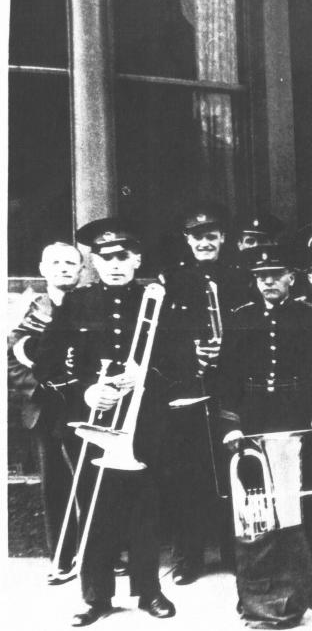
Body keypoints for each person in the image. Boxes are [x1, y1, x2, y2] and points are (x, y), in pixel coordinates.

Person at [34, 218, 175, 626]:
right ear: (93, 261)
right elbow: (47, 366)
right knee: (94, 510)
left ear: (137, 259)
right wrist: (85, 392)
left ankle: (149, 591)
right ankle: (96, 597)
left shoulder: (156, 301)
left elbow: (180, 363)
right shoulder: (76, 304)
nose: (115, 264)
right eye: (105, 257)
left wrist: (144, 377)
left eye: (123, 256)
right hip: (88, 422)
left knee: (144, 509)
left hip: (142, 422)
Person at [217, 246, 312, 613]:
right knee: (257, 508)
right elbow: (227, 375)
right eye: (261, 276)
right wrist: (231, 423)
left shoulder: (310, 317)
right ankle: (256, 587)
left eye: (276, 274)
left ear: (291, 278)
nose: (268, 281)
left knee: (302, 503)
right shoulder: (241, 318)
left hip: (298, 419)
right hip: (253, 420)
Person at [157, 203, 255, 585]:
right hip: (189, 389)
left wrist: (227, 350)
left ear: (223, 238)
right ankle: (188, 558)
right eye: (197, 236)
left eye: (211, 235)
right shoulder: (172, 281)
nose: (204, 242)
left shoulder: (240, 277)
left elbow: (252, 331)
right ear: (187, 240)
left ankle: (234, 552)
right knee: (189, 474)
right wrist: (190, 353)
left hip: (232, 388)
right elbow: (160, 339)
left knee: (234, 469)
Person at [8, 241, 84, 582]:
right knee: (54, 483)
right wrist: (39, 388)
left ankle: (104, 553)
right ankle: (62, 558)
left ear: (82, 270)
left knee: (94, 479)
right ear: (42, 269)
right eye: (56, 262)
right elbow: (10, 357)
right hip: (45, 408)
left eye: (71, 262)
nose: (64, 267)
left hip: (86, 405)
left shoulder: (91, 305)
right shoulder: (27, 309)